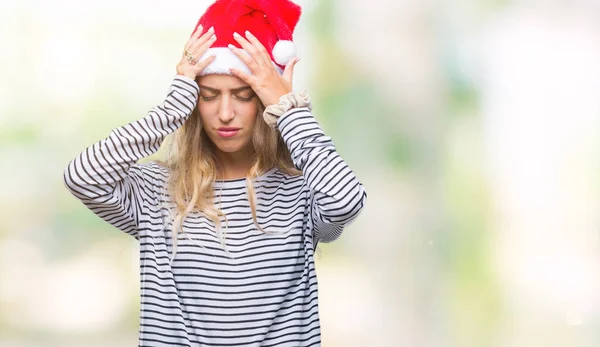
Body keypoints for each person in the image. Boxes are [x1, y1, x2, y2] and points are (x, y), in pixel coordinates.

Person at [63, 0, 366, 346]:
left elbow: (346, 201)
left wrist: (290, 111)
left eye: (243, 95)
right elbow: (82, 176)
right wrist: (172, 108)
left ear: (265, 100)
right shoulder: (157, 191)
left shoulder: (303, 192)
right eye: (208, 96)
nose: (225, 113)